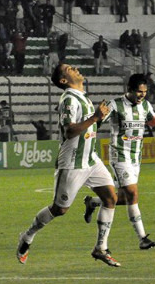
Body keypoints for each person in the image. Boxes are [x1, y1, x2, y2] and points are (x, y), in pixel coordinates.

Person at [16, 64, 120, 267]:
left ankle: (100, 248)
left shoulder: (84, 98)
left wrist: (100, 118)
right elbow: (70, 131)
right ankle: (27, 236)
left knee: (110, 198)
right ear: (64, 80)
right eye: (70, 68)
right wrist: (96, 117)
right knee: (60, 209)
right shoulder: (69, 99)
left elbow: (89, 126)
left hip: (91, 159)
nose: (76, 68)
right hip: (72, 162)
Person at [83, 73, 155, 250]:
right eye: (139, 91)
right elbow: (96, 123)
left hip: (136, 157)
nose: (142, 95)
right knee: (133, 194)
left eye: (144, 92)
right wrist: (93, 121)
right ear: (129, 90)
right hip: (120, 155)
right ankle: (142, 238)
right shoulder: (115, 104)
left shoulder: (146, 106)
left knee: (125, 197)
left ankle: (93, 202)